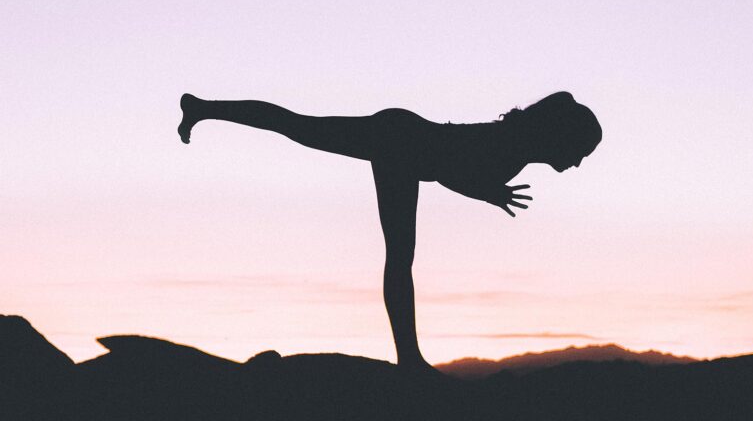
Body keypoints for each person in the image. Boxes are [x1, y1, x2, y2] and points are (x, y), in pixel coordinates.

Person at [176, 91, 602, 373]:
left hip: (403, 137)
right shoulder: (513, 149)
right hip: (402, 145)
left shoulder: (518, 146)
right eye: (580, 152)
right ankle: (410, 359)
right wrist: (488, 194)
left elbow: (459, 167)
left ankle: (202, 108)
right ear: (561, 138)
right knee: (399, 255)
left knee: (299, 126)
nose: (579, 163)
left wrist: (487, 192)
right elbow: (450, 170)